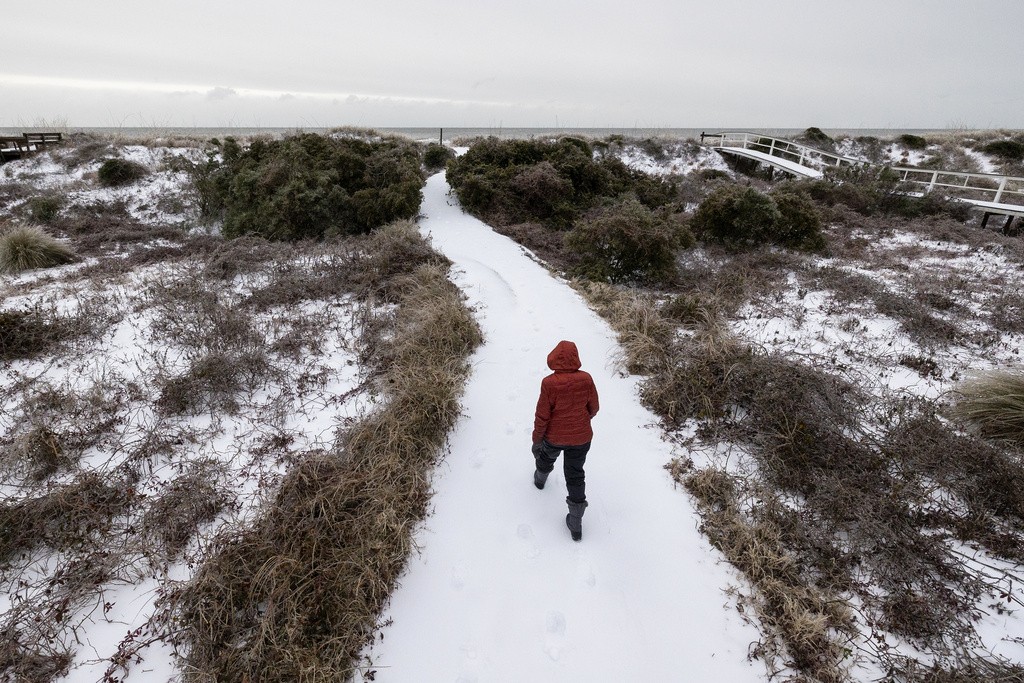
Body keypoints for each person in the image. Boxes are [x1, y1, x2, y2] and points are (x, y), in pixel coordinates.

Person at [531, 340, 600, 541]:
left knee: (546, 456)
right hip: (581, 438)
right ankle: (576, 521)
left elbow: (542, 415)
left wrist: (537, 438)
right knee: (575, 473)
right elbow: (594, 407)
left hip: (554, 437)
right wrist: (582, 421)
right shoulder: (586, 379)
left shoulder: (549, 383)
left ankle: (540, 479)